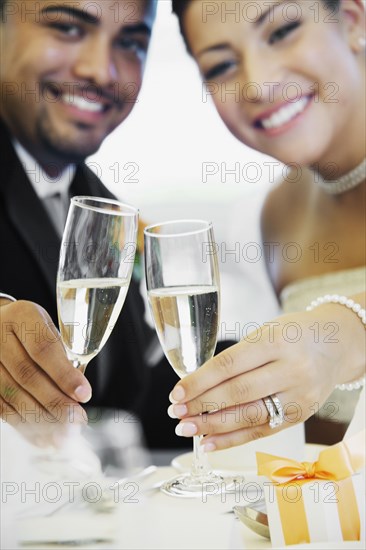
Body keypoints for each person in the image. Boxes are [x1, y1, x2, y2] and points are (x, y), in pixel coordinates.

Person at [168, 0, 366, 448]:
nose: (258, 83)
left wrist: (345, 334)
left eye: (282, 31)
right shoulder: (271, 216)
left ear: (352, 20)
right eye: (221, 66)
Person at [0, 0, 167, 447]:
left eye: (130, 43)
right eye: (67, 28)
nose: (101, 70)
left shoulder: (101, 205)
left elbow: (135, 397)